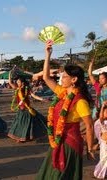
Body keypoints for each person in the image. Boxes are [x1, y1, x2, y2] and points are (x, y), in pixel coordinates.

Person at [36, 41, 95, 179]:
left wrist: (90, 148)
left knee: (62, 175)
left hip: (70, 143)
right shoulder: (61, 92)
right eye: (61, 76)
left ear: (74, 79)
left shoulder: (80, 101)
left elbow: (89, 125)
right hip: (57, 140)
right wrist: (48, 54)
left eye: (64, 76)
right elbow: (46, 77)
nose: (61, 79)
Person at [7, 71, 47, 142]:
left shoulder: (26, 89)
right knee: (19, 124)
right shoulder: (17, 89)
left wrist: (41, 99)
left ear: (22, 83)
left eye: (18, 82)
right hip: (20, 109)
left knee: (27, 124)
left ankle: (24, 137)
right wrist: (10, 74)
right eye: (17, 82)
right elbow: (10, 82)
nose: (17, 83)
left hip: (27, 109)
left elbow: (33, 95)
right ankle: (20, 137)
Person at [94, 100, 107, 179]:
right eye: (106, 112)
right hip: (104, 144)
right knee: (103, 159)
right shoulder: (101, 122)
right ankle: (100, 173)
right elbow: (101, 117)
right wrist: (102, 106)